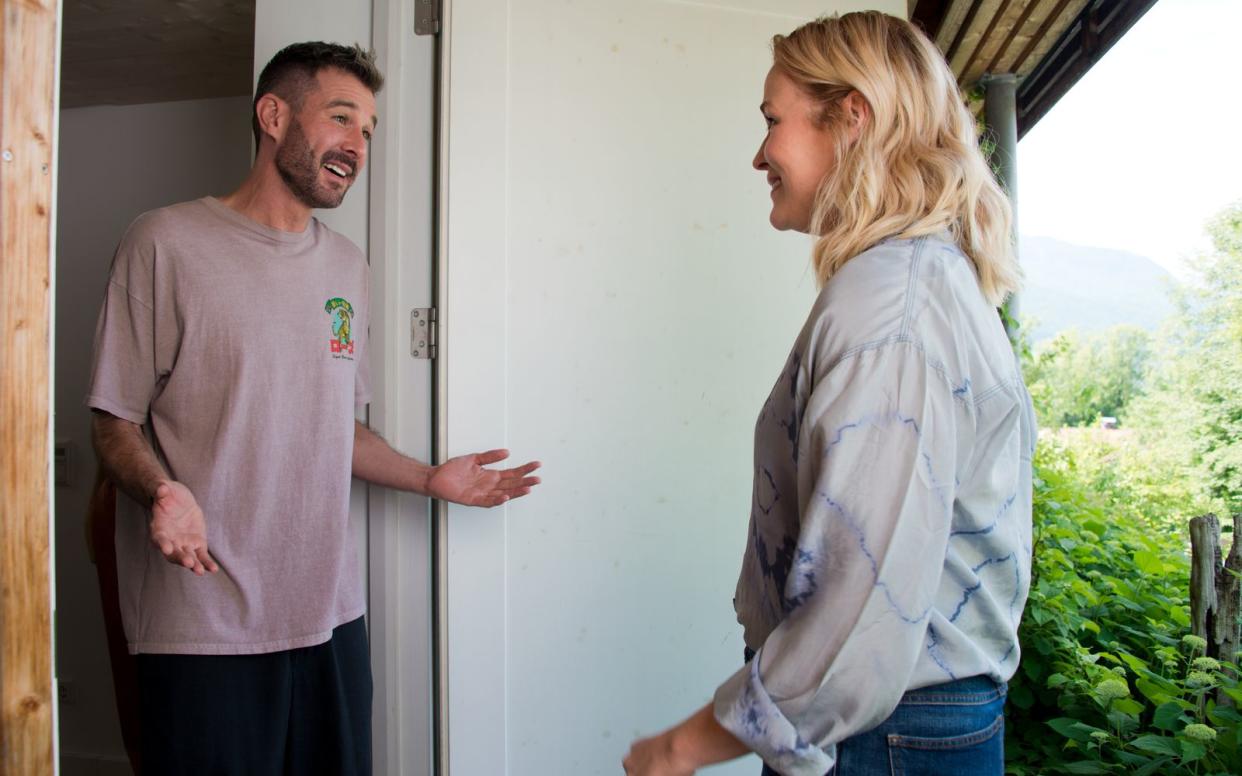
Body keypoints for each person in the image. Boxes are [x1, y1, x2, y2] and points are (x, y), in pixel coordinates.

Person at [86, 41, 540, 776]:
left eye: (368, 130)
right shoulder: (164, 243)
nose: (358, 146)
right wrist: (162, 493)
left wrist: (430, 479)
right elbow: (112, 418)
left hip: (329, 617)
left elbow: (338, 429)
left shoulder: (345, 266)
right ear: (273, 116)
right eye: (340, 118)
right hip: (203, 626)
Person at [623, 12, 1034, 776]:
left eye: (773, 121)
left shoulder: (892, 310)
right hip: (903, 723)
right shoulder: (915, 284)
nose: (759, 155)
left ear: (852, 119)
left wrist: (679, 750)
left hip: (884, 731)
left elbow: (861, 607)